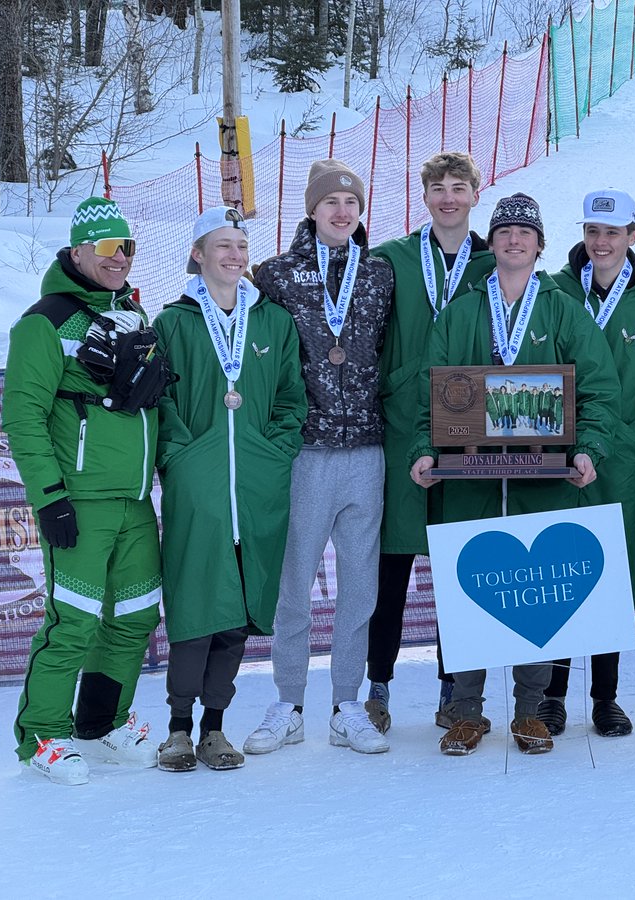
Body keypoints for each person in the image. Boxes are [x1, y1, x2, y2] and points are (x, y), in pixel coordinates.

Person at [410, 192, 621, 756]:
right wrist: (424, 450)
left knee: (537, 594)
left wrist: (588, 450)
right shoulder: (460, 312)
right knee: (469, 590)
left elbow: (598, 389)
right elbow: (426, 392)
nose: (513, 240)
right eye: (503, 231)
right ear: (493, 240)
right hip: (470, 477)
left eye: (524, 233)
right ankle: (467, 710)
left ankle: (530, 711)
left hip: (543, 478)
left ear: (540, 244)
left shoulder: (561, 309)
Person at [3, 197, 172, 784]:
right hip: (79, 500)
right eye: (105, 248)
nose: (118, 258)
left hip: (133, 499)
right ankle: (42, 737)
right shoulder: (45, 321)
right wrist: (49, 497)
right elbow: (23, 416)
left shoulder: (133, 314)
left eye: (126, 247)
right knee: (72, 621)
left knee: (134, 616)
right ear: (77, 252)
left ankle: (102, 722)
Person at [242, 160, 395, 755]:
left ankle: (347, 704)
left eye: (350, 204)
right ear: (312, 208)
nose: (340, 212)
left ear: (361, 213)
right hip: (305, 450)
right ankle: (288, 702)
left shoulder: (380, 273)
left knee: (361, 586)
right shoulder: (276, 274)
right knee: (294, 582)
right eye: (330, 202)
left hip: (366, 447)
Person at [152, 208, 306, 772]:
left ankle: (214, 728)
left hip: (257, 486)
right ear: (198, 253)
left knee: (238, 611)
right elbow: (160, 402)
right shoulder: (172, 323)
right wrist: (183, 455)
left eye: (242, 245)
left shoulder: (272, 322)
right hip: (201, 484)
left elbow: (292, 396)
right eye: (223, 245)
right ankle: (176, 729)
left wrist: (274, 450)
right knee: (196, 605)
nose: (235, 255)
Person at [366, 152, 495, 733]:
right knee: (392, 560)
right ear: (424, 196)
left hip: (471, 430)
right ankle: (378, 684)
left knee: (459, 561)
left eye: (459, 187)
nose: (448, 197)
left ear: (475, 194)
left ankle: (455, 689)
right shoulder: (391, 259)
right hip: (401, 424)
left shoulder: (494, 261)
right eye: (438, 188)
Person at [538, 188, 635, 738]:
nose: (601, 242)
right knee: (556, 567)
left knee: (609, 573)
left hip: (619, 456)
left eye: (613, 233)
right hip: (555, 453)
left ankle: (605, 697)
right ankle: (551, 694)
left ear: (632, 237)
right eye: (593, 231)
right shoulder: (552, 291)